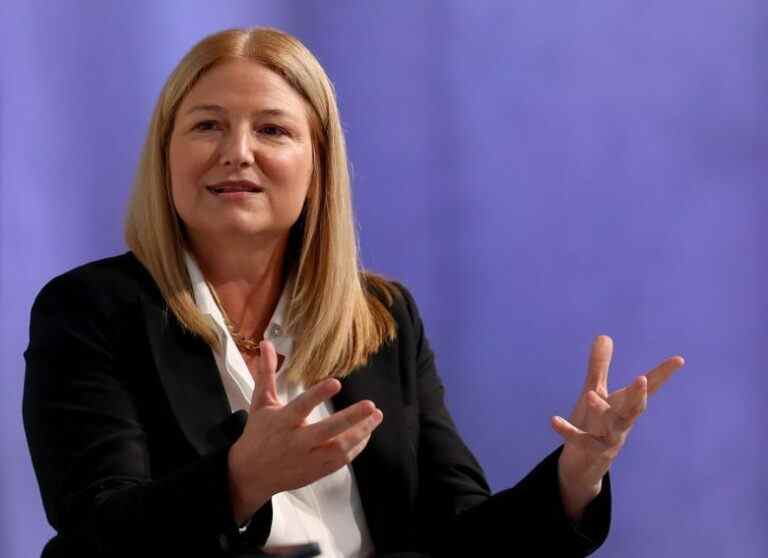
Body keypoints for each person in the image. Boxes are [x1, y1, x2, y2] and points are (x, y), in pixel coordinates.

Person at [22, 27, 684, 558]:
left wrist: (578, 474)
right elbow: (95, 537)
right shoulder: (90, 310)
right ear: (166, 153)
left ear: (318, 164)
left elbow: (462, 535)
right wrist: (240, 481)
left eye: (273, 130)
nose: (237, 152)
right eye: (207, 125)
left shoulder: (381, 316)